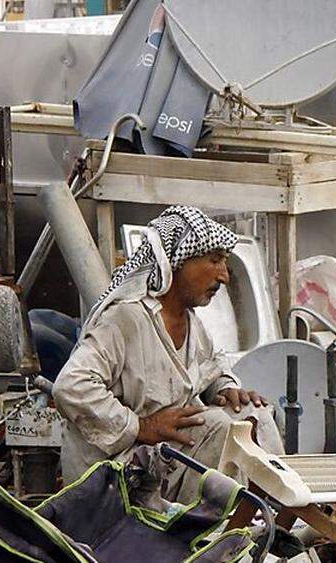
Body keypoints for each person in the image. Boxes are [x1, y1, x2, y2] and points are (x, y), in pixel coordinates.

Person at [54, 206, 284, 504]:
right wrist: (140, 426)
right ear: (175, 261)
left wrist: (227, 389)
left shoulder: (191, 323)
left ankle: (275, 512)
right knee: (217, 427)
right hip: (115, 477)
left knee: (254, 414)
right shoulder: (126, 319)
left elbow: (209, 370)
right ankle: (210, 533)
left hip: (164, 462)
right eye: (214, 260)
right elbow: (71, 387)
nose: (224, 276)